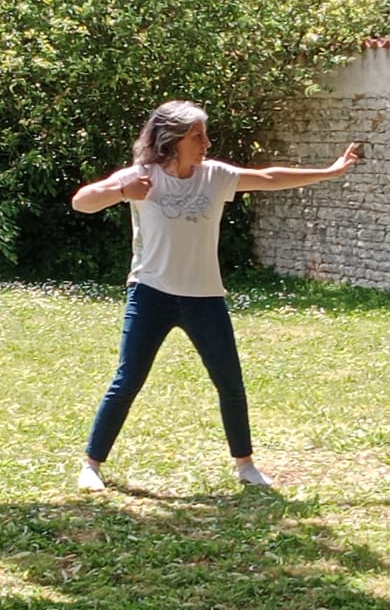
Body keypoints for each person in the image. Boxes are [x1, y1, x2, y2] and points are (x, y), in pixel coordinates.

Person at [71, 100, 362, 491]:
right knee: (127, 381)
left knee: (230, 382)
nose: (206, 142)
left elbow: (270, 177)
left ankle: (245, 465)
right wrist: (123, 191)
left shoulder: (215, 177)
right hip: (150, 293)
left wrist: (330, 171)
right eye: (197, 136)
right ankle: (91, 464)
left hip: (204, 297)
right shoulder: (142, 176)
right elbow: (82, 201)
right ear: (171, 139)